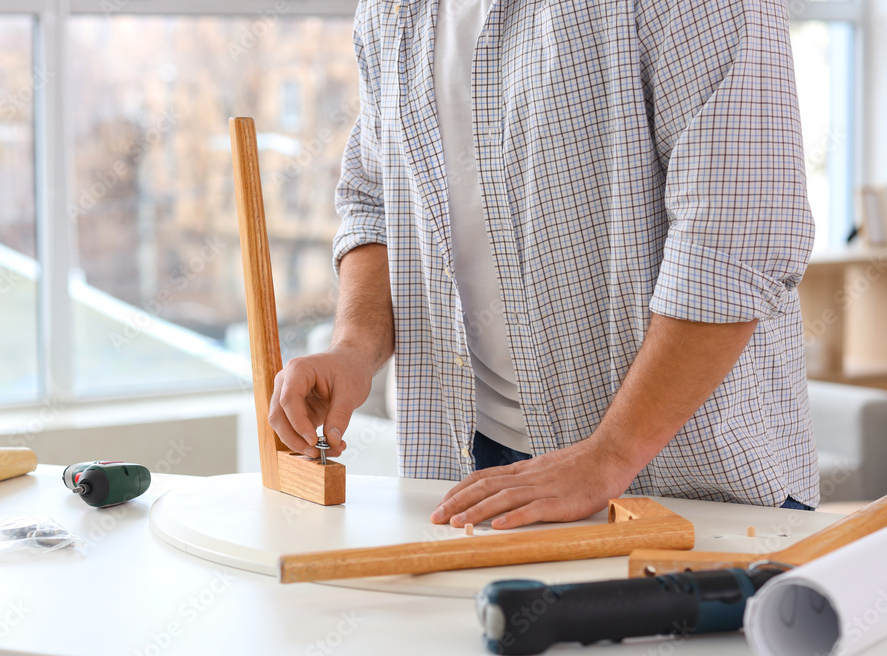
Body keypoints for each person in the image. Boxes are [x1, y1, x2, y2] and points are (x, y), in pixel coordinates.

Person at [269, 0, 819, 529]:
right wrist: (355, 349)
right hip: (469, 466)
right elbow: (376, 201)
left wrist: (607, 457)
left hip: (687, 483)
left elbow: (737, 235)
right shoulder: (390, 9)